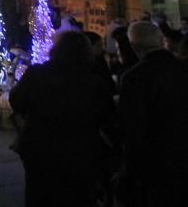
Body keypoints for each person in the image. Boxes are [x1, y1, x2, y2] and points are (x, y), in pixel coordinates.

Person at [117, 21, 188, 205]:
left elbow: (134, 128)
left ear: (133, 46)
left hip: (160, 162)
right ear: (161, 40)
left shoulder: (134, 78)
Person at [10, 31, 115, 207]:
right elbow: (106, 115)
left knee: (40, 195)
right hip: (80, 151)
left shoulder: (37, 74)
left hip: (40, 148)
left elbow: (17, 102)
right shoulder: (94, 83)